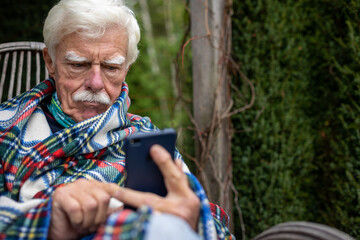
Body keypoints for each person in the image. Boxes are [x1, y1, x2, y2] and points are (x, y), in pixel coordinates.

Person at [0, 0, 233, 239]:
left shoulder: (146, 142)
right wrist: (47, 223)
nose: (96, 83)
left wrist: (194, 221)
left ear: (126, 69)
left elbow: (212, 223)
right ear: (50, 62)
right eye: (78, 64)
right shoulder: (6, 128)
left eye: (111, 67)